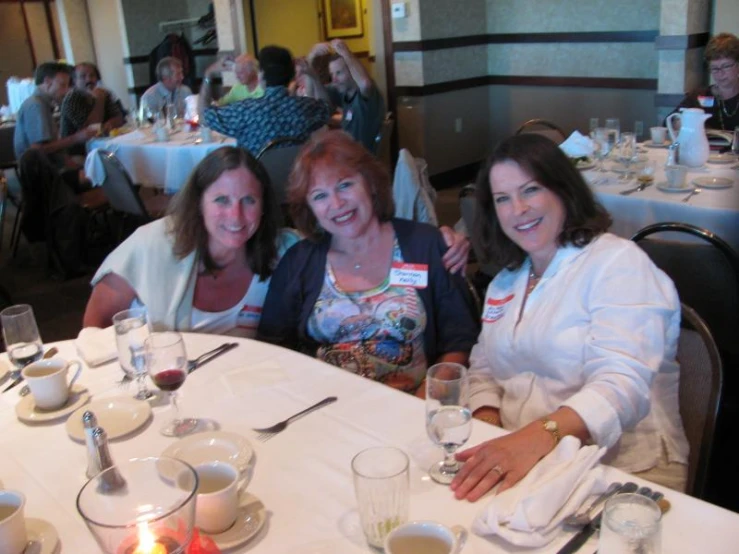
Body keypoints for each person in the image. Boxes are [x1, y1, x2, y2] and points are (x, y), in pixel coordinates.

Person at [450, 134, 689, 502]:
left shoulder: (617, 262)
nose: (518, 210)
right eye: (503, 199)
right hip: (525, 459)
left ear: (563, 189)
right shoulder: (506, 281)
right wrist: (487, 421)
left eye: (530, 190)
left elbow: (622, 384)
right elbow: (483, 367)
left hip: (621, 469)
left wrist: (532, 438)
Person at [257, 131, 478, 395]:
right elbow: (273, 346)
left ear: (371, 184)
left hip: (411, 404)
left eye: (345, 185)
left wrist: (426, 399)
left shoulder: (425, 245)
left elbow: (461, 339)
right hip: (324, 407)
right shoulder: (298, 262)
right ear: (310, 209)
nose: (336, 203)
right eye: (319, 196)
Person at [83, 146, 298, 337]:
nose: (236, 215)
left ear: (264, 206)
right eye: (221, 200)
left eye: (249, 200)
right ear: (198, 204)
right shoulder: (151, 244)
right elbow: (96, 327)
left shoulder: (284, 252)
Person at [200, 45, 331, 155]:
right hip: (296, 181)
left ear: (261, 75)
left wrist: (208, 74)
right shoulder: (305, 108)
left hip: (257, 183)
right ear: (291, 75)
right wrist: (313, 76)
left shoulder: (245, 111)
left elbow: (203, 117)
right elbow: (328, 108)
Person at [14, 62, 97, 168]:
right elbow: (38, 150)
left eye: (67, 85)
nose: (67, 90)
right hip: (45, 173)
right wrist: (77, 137)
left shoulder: (40, 103)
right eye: (63, 85)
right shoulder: (36, 106)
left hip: (51, 166)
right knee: (101, 169)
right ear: (47, 82)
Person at [308, 39, 385, 152]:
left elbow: (365, 83)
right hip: (349, 153)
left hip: (359, 159)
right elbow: (317, 103)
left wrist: (345, 52)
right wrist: (311, 58)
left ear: (352, 72)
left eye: (339, 73)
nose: (334, 79)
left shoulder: (366, 96)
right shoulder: (344, 92)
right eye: (332, 74)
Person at [669, 33, 739, 131]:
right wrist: (681, 123)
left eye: (726, 66)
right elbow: (670, 120)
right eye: (714, 68)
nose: (720, 73)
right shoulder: (700, 96)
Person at [60, 62, 124, 155]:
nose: (89, 79)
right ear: (74, 80)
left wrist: (108, 124)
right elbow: (91, 129)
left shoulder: (104, 93)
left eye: (92, 75)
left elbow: (119, 118)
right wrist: (99, 101)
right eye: (83, 76)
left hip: (106, 144)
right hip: (80, 152)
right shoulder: (71, 99)